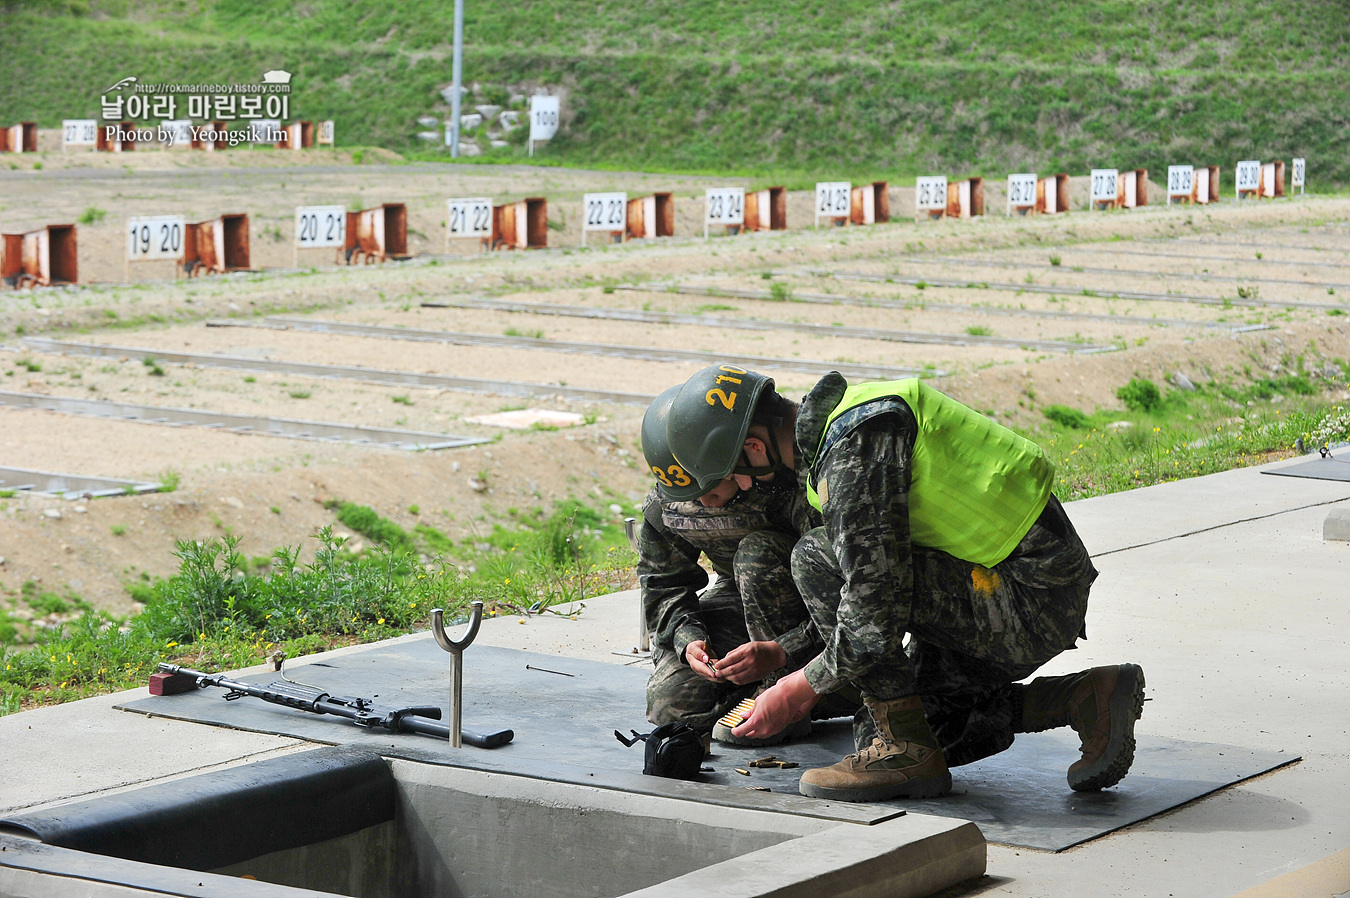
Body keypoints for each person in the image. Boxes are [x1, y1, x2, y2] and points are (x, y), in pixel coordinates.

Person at [666, 367, 1145, 802]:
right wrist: (785, 653)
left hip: (1026, 600)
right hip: (1008, 587)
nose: (745, 488)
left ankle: (905, 746)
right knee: (879, 726)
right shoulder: (849, 420)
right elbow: (877, 587)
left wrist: (799, 687)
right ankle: (1083, 697)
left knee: (814, 556)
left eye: (736, 478)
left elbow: (873, 610)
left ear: (754, 446)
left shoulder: (853, 449)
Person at [638, 380, 827, 744]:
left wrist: (785, 651)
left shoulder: (782, 473)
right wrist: (688, 639)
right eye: (692, 497)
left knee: (756, 554)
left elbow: (846, 587)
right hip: (740, 602)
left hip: (816, 620)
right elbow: (663, 584)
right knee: (669, 704)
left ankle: (805, 689)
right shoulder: (669, 502)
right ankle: (758, 692)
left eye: (709, 491)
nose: (706, 504)